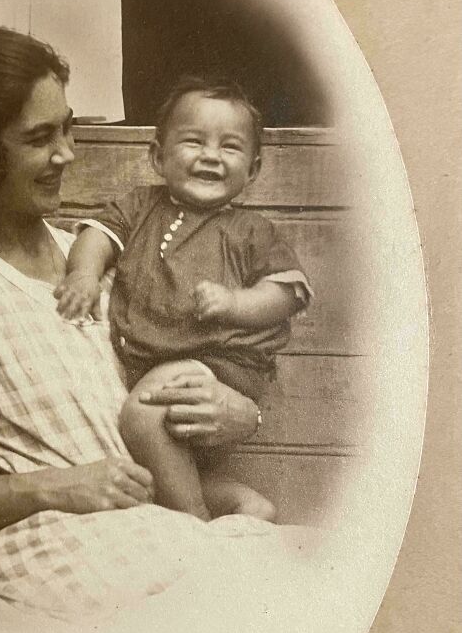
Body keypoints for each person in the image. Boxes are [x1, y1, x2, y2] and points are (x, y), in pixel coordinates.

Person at [0, 30, 263, 579]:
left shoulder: (101, 253)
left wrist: (241, 413)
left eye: (68, 126)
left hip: (155, 529)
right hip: (54, 549)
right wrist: (57, 486)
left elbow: (204, 363)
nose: (68, 152)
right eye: (39, 138)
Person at [55, 76, 313, 522]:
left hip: (217, 361)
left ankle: (193, 525)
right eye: (194, 142)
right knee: (159, 457)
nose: (211, 155)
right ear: (158, 156)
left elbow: (286, 293)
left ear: (252, 170)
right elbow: (97, 236)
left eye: (230, 147)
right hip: (153, 360)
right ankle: (241, 506)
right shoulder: (140, 207)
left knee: (144, 416)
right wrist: (83, 273)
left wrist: (236, 303)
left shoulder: (252, 232)